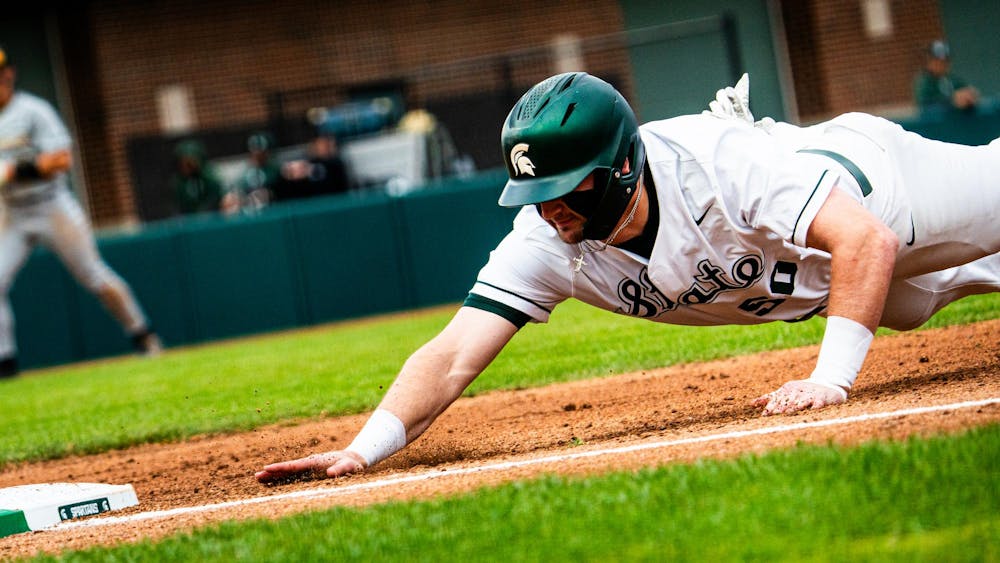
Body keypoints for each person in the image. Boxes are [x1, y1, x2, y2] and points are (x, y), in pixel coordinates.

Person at [256, 72, 999, 483]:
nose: (549, 213)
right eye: (534, 197)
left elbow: (863, 238)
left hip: (881, 194)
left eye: (563, 190)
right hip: (824, 280)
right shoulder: (548, 237)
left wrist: (833, 380)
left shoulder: (716, 163)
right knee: (905, 305)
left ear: (619, 167)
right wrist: (365, 445)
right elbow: (452, 353)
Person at [0, 46, 161, 378]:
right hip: (11, 212)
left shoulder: (32, 110)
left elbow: (61, 160)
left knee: (93, 275)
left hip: (51, 204)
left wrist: (14, 170)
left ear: (9, 74)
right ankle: (5, 363)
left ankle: (143, 334)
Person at [273, 134, 350, 202]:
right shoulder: (304, 165)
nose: (325, 148)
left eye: (328, 146)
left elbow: (340, 188)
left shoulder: (336, 166)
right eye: (321, 145)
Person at [913, 39, 979, 114]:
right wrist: (952, 102)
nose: (942, 64)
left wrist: (971, 96)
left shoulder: (953, 80)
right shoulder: (924, 83)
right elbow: (925, 108)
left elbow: (965, 91)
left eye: (946, 61)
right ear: (929, 61)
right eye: (938, 60)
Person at [222, 132, 281, 215]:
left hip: (273, 212)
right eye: (255, 150)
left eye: (261, 151)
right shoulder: (243, 174)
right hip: (249, 214)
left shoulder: (275, 171)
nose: (258, 153)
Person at [170, 139, 224, 216]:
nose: (186, 166)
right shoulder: (177, 182)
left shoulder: (209, 177)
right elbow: (177, 206)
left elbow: (215, 199)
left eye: (190, 163)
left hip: (211, 218)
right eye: (182, 163)